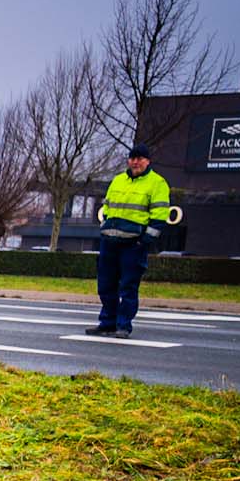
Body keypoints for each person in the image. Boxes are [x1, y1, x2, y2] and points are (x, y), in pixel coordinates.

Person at [88, 142, 171, 339]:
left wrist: (144, 241)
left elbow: (159, 216)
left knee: (128, 286)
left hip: (133, 244)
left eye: (139, 158)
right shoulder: (118, 180)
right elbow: (107, 207)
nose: (135, 162)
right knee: (106, 285)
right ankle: (107, 322)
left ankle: (123, 325)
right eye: (133, 158)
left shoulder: (157, 183)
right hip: (110, 241)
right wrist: (105, 226)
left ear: (147, 161)